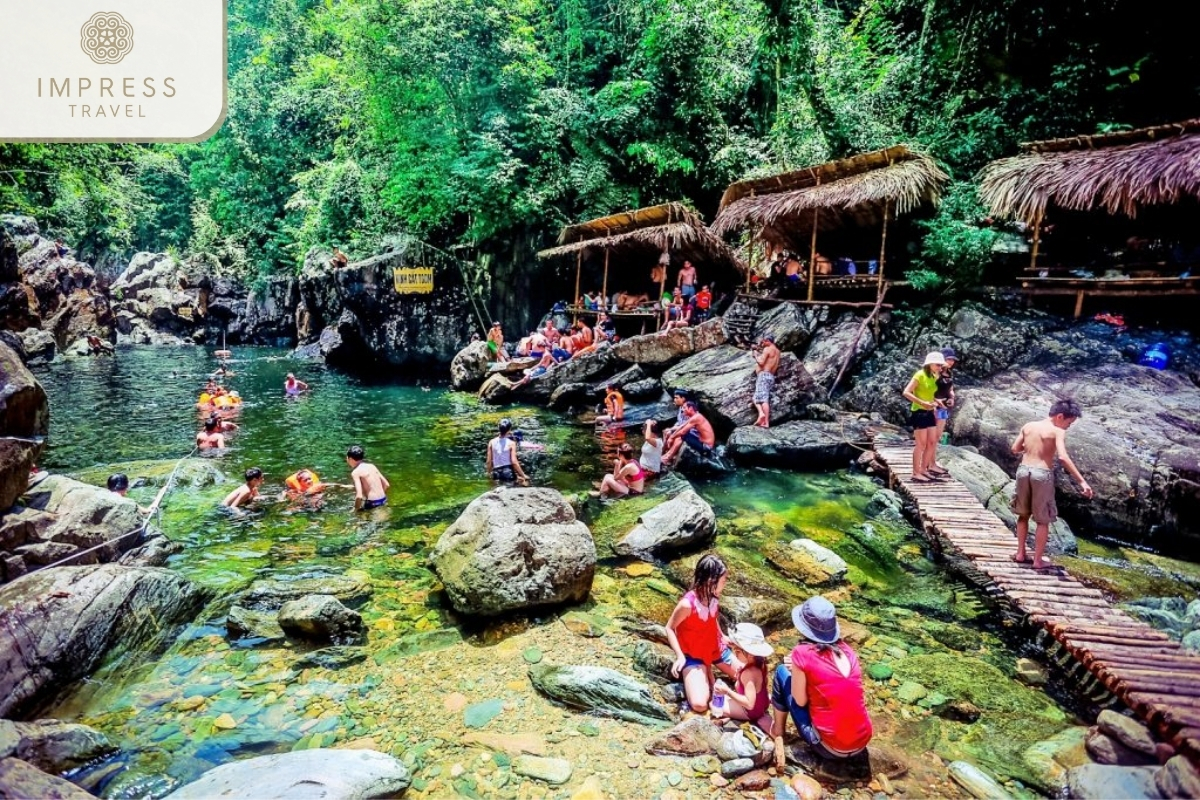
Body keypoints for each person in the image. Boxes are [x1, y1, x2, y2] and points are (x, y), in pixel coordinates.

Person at [771, 597, 872, 767]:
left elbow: (800, 701)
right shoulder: (848, 651)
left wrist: (795, 670)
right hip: (861, 744)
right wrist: (800, 670)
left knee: (781, 672)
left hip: (830, 748)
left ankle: (777, 731)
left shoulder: (801, 653)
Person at [1011, 399, 1093, 569]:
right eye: (1068, 424)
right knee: (1043, 520)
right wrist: (1082, 481)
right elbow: (1062, 457)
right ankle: (1038, 561)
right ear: (1060, 416)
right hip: (1042, 474)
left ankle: (1020, 554)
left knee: (1023, 515)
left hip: (1023, 470)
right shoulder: (1057, 431)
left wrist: (1032, 448)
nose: (1067, 427)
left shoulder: (1029, 426)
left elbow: (1015, 448)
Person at [665, 554, 737, 712]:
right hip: (693, 654)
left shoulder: (714, 595)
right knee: (699, 705)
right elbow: (669, 628)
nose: (725, 583)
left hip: (715, 647)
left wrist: (722, 636)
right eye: (723, 580)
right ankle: (702, 675)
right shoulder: (687, 605)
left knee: (743, 677)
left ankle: (710, 676)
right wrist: (680, 656)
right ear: (711, 581)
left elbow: (713, 617)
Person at [712, 623, 774, 730]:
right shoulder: (760, 662)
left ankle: (731, 717)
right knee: (729, 693)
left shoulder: (748, 673)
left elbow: (749, 704)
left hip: (751, 711)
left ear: (749, 653)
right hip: (763, 705)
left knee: (714, 704)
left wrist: (727, 691)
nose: (734, 653)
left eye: (737, 651)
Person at [901, 352, 947, 483]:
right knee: (921, 444)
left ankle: (923, 469)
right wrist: (922, 403)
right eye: (938, 365)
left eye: (940, 365)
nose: (940, 367)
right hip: (919, 412)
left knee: (932, 442)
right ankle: (916, 472)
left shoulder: (932, 376)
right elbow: (906, 392)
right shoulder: (919, 375)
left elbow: (931, 394)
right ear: (930, 364)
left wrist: (937, 402)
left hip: (929, 412)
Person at [662, 401, 716, 467]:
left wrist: (672, 437)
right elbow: (681, 426)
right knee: (677, 433)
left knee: (683, 435)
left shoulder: (696, 418)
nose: (682, 409)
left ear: (690, 408)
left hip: (706, 447)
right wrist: (671, 436)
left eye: (684, 408)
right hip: (701, 442)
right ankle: (667, 454)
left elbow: (683, 432)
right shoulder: (694, 416)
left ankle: (667, 458)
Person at [932, 347, 958, 472]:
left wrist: (952, 397)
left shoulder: (950, 373)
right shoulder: (936, 373)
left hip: (944, 407)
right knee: (931, 436)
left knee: (937, 436)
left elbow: (950, 388)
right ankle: (927, 462)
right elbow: (928, 389)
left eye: (953, 360)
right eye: (949, 359)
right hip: (933, 407)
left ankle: (932, 462)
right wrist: (937, 402)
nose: (951, 362)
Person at [486, 419, 530, 485]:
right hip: (508, 472)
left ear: (498, 428)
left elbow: (489, 461)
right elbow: (514, 462)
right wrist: (523, 475)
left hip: (496, 473)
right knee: (525, 482)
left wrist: (489, 473)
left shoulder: (491, 442)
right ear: (509, 430)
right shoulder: (511, 443)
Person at [346, 445, 390, 510]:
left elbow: (359, 496)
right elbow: (386, 484)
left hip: (372, 503)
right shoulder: (372, 466)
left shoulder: (355, 472)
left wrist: (355, 510)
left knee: (359, 516)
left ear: (350, 459)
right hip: (383, 499)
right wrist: (379, 499)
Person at [752, 335, 780, 428]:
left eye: (763, 342)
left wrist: (756, 355)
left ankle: (764, 419)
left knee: (762, 400)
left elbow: (761, 362)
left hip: (763, 375)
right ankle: (763, 417)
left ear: (768, 341)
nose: (762, 344)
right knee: (758, 397)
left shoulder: (767, 349)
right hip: (771, 376)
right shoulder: (777, 351)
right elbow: (769, 360)